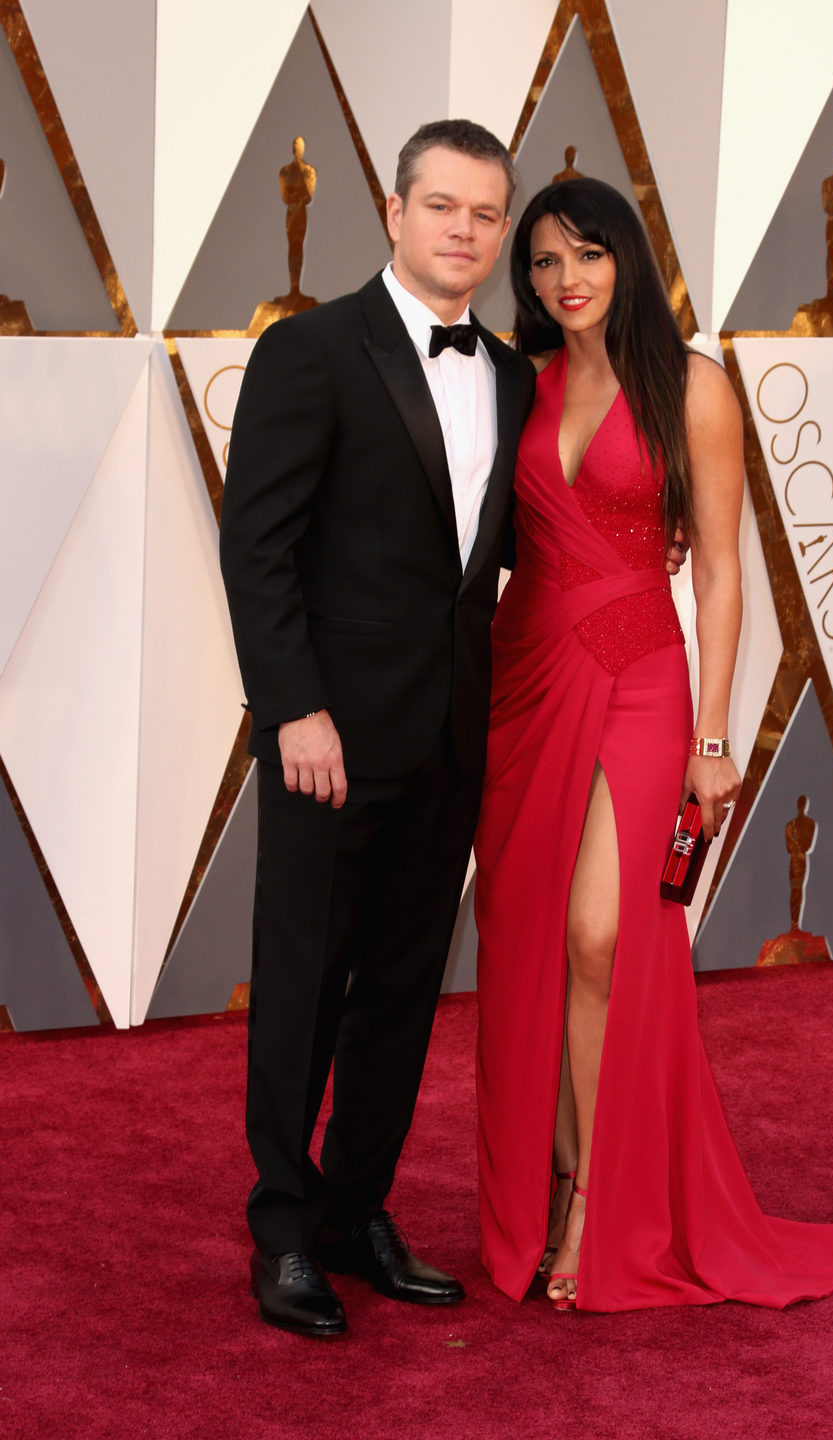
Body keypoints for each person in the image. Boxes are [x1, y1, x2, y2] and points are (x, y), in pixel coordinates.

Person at [473, 177, 833, 1312]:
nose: (565, 280)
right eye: (543, 264)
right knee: (532, 939)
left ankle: (601, 1197)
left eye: (585, 255)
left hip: (647, 677)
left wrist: (713, 738)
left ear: (627, 258)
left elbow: (730, 573)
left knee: (602, 931)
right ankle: (549, 1186)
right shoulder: (526, 384)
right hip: (525, 674)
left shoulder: (692, 387)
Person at [219, 119, 535, 1337]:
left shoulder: (510, 373)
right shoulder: (309, 351)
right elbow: (259, 549)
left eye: (485, 213)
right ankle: (284, 1231)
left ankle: (356, 1210)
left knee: (400, 996)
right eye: (442, 206)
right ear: (393, 212)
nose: (464, 230)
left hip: (452, 740)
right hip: (327, 742)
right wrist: (293, 706)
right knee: (301, 989)